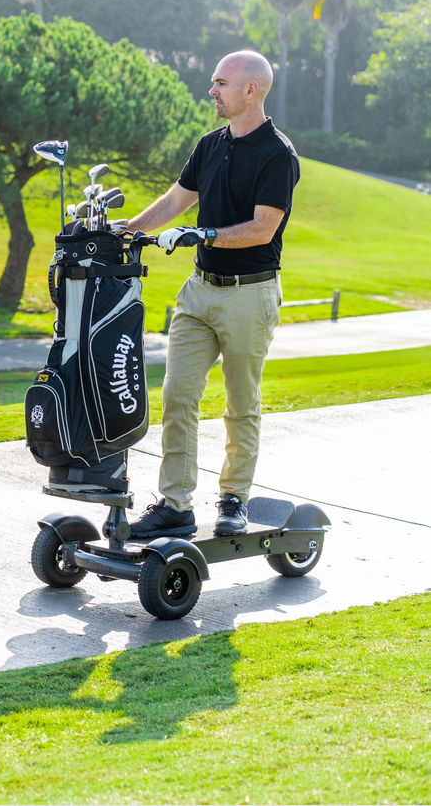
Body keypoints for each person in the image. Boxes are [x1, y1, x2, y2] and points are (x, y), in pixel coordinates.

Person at [123, 50, 299, 539]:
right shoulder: (210, 144)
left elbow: (263, 229)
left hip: (250, 295)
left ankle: (234, 499)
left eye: (221, 83)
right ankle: (176, 504)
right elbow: (176, 201)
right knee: (177, 396)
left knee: (240, 404)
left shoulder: (277, 154)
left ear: (251, 90)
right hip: (200, 291)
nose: (212, 91)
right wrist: (127, 229)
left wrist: (203, 236)